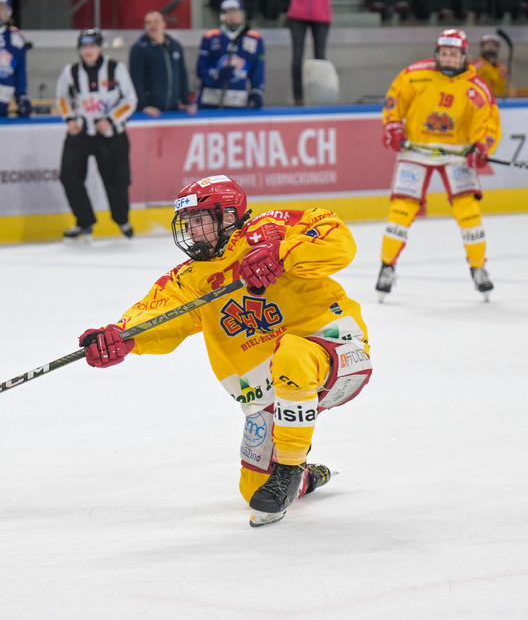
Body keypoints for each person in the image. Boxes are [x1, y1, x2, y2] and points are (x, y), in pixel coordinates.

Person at [76, 174, 372, 527]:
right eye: (188, 224)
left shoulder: (270, 228)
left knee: (292, 357)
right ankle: (304, 476)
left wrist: (281, 253)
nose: (192, 232)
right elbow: (158, 315)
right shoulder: (190, 279)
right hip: (272, 388)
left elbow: (336, 237)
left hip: (336, 348)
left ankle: (288, 469)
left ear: (228, 216)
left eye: (200, 221)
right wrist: (122, 337)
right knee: (253, 491)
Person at [378, 28, 501, 301]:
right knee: (401, 210)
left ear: (463, 56)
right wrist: (394, 128)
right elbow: (393, 102)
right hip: (416, 150)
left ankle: (478, 269)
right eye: (444, 53)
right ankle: (386, 266)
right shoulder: (415, 74)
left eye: (453, 54)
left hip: (456, 152)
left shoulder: (476, 86)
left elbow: (489, 123)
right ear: (437, 53)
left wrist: (481, 146)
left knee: (468, 212)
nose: (448, 58)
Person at [55, 28, 137, 240]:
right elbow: (62, 96)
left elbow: (130, 100)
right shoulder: (71, 71)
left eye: (92, 46)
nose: (88, 50)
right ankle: (84, 221)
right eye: (84, 47)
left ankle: (122, 220)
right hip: (81, 132)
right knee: (69, 176)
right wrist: (70, 119)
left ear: (100, 47)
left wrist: (110, 119)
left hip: (111, 134)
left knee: (116, 181)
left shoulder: (116, 68)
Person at [282, 0, 337, 106]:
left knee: (320, 57)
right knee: (297, 58)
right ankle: (298, 98)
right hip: (298, 15)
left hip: (321, 17)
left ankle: (319, 96)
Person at [196, 0, 265, 109]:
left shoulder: (255, 38)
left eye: (236, 12)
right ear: (222, 16)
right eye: (228, 13)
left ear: (243, 14)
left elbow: (258, 69)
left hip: (239, 101)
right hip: (210, 101)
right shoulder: (210, 37)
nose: (232, 16)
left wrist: (257, 92)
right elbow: (201, 69)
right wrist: (217, 74)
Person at [128, 10, 194, 116]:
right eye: (148, 22)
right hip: (150, 111)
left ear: (164, 24)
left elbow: (182, 75)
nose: (152, 25)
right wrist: (143, 106)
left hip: (174, 109)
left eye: (156, 21)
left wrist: (185, 102)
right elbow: (136, 79)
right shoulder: (139, 49)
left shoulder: (175, 46)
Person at [471, 33, 508, 98]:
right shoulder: (474, 66)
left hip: (500, 103)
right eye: (488, 45)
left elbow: (508, 90)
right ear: (482, 47)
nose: (491, 47)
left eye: (494, 45)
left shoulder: (503, 69)